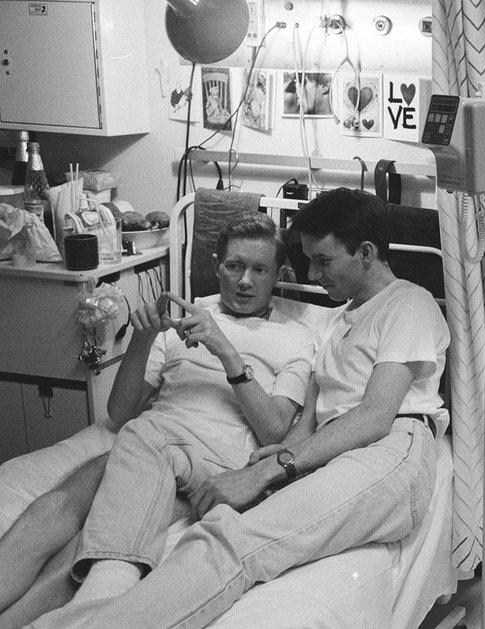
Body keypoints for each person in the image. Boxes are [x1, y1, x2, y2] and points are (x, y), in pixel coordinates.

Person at [31, 187, 449, 628]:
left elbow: (375, 415)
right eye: (307, 259)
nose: (312, 272)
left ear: (365, 252)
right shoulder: (342, 319)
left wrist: (270, 470)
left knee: (236, 541)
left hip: (390, 444)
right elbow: (316, 410)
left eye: (323, 261)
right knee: (217, 531)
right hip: (333, 452)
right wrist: (281, 454)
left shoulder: (409, 303)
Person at [0, 213, 314, 626]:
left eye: (260, 270)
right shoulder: (183, 321)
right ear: (217, 263)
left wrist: (228, 354)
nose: (244, 281)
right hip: (147, 445)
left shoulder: (296, 336)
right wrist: (143, 340)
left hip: (215, 462)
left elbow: (276, 429)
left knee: (144, 436)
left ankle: (96, 604)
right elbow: (120, 412)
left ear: (279, 275)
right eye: (234, 266)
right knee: (57, 505)